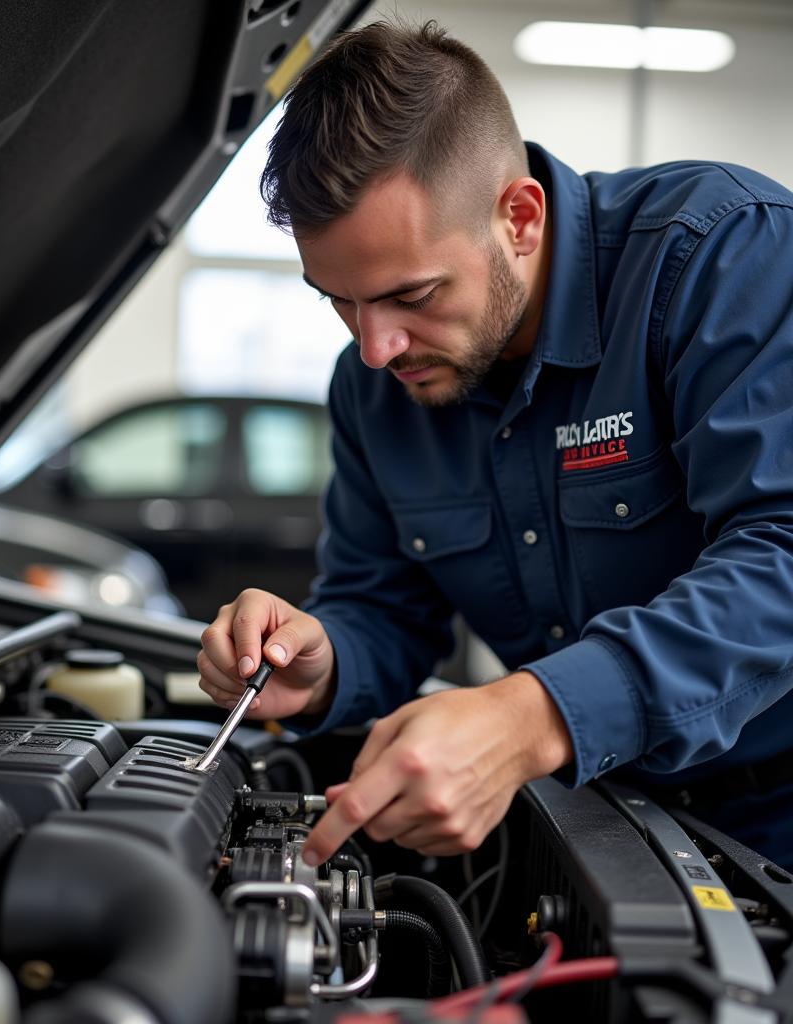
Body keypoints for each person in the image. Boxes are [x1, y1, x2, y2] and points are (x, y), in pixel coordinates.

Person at [197, 21, 793, 870]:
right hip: (609, 823)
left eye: (412, 295)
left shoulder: (722, 257)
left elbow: (783, 552)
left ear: (518, 217)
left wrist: (536, 715)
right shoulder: (373, 389)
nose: (376, 347)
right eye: (338, 299)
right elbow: (383, 611)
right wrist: (321, 663)